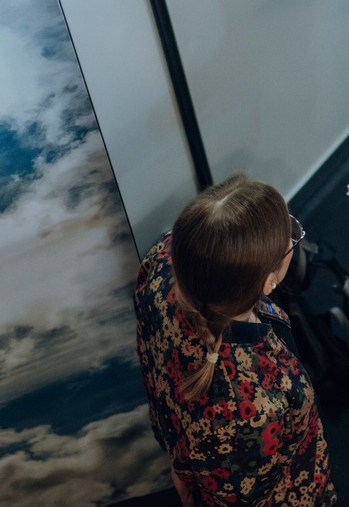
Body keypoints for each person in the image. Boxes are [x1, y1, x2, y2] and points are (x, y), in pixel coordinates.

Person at [134, 173, 338, 506]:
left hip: (182, 438)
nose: (290, 236)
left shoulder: (158, 264)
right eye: (289, 238)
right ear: (267, 281)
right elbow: (239, 496)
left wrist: (181, 468)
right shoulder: (256, 405)